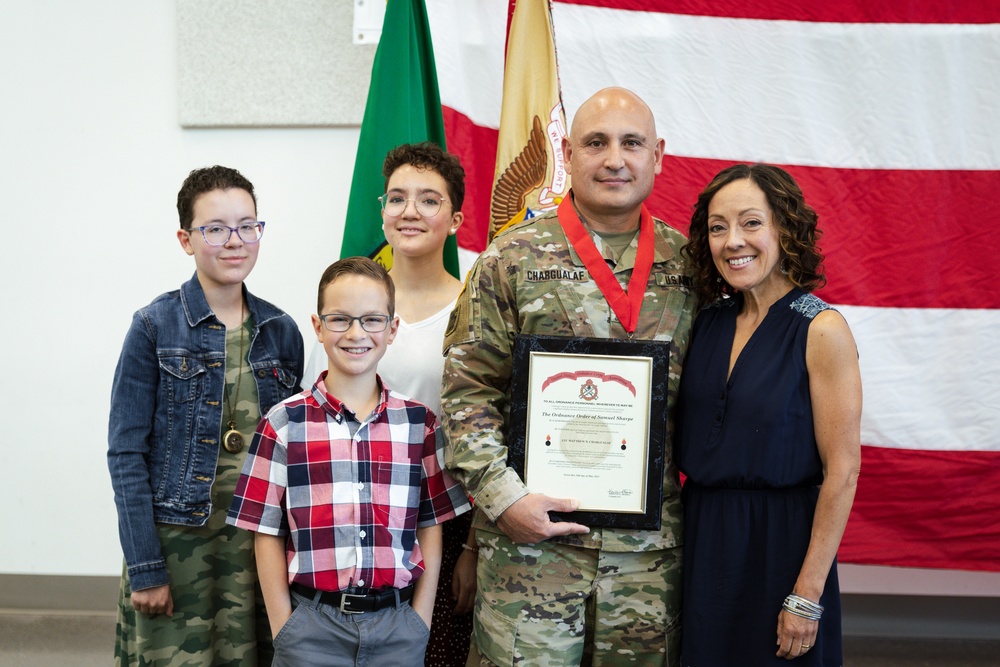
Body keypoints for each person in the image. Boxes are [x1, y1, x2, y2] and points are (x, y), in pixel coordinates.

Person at [440, 87, 697, 666]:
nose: (615, 159)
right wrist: (505, 501)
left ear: (657, 154)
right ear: (566, 151)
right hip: (530, 553)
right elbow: (467, 395)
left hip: (647, 560)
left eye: (632, 143)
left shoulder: (693, 267)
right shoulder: (509, 260)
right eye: (596, 142)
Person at [228, 257, 471, 666]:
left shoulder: (420, 425)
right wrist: (283, 626)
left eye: (372, 320)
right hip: (310, 629)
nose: (356, 333)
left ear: (392, 330)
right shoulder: (283, 423)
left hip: (398, 627)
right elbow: (266, 532)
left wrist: (420, 620)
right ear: (318, 326)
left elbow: (431, 524)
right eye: (340, 319)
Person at [108, 165, 304, 666]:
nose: (234, 241)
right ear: (186, 239)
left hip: (254, 549)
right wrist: (146, 566)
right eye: (215, 228)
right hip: (178, 547)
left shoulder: (281, 331)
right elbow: (126, 454)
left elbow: (293, 453)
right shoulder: (154, 326)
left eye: (247, 225)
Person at [675, 164, 862, 665]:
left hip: (782, 547)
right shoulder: (704, 322)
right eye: (718, 227)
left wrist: (806, 594)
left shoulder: (822, 329)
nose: (733, 241)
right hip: (701, 538)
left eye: (750, 223)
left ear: (784, 227)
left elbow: (843, 472)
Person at [301, 142, 478, 665]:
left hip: (442, 517)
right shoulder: (351, 306)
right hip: (348, 515)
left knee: (429, 651)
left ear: (455, 218)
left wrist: (472, 546)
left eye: (429, 200)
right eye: (397, 198)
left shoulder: (476, 307)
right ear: (380, 210)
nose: (409, 211)